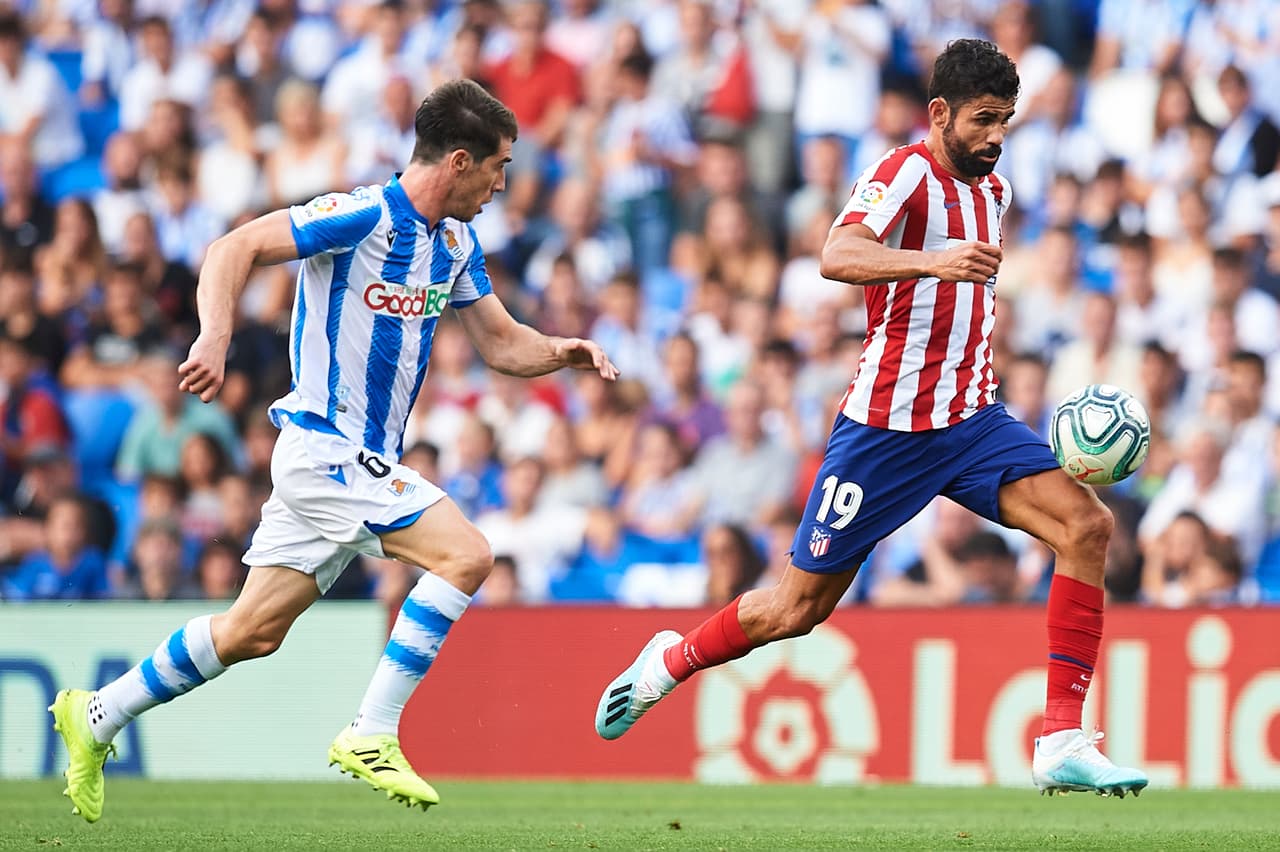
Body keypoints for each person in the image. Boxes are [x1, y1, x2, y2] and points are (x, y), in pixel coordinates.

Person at [50, 79, 619, 823]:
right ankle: (373, 730)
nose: (501, 184)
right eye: (497, 166)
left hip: (350, 464)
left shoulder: (454, 243)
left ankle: (96, 714)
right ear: (457, 161)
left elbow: (504, 344)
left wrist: (562, 352)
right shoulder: (360, 214)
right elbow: (234, 247)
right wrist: (214, 336)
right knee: (468, 555)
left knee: (251, 632)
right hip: (324, 447)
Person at [594, 39, 1149, 799]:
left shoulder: (996, 192)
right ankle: (670, 660)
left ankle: (1059, 737)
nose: (995, 137)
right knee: (795, 610)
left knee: (1086, 527)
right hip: (885, 431)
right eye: (984, 120)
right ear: (940, 113)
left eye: (1007, 122)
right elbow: (836, 252)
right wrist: (933, 259)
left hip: (971, 419)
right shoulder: (905, 174)